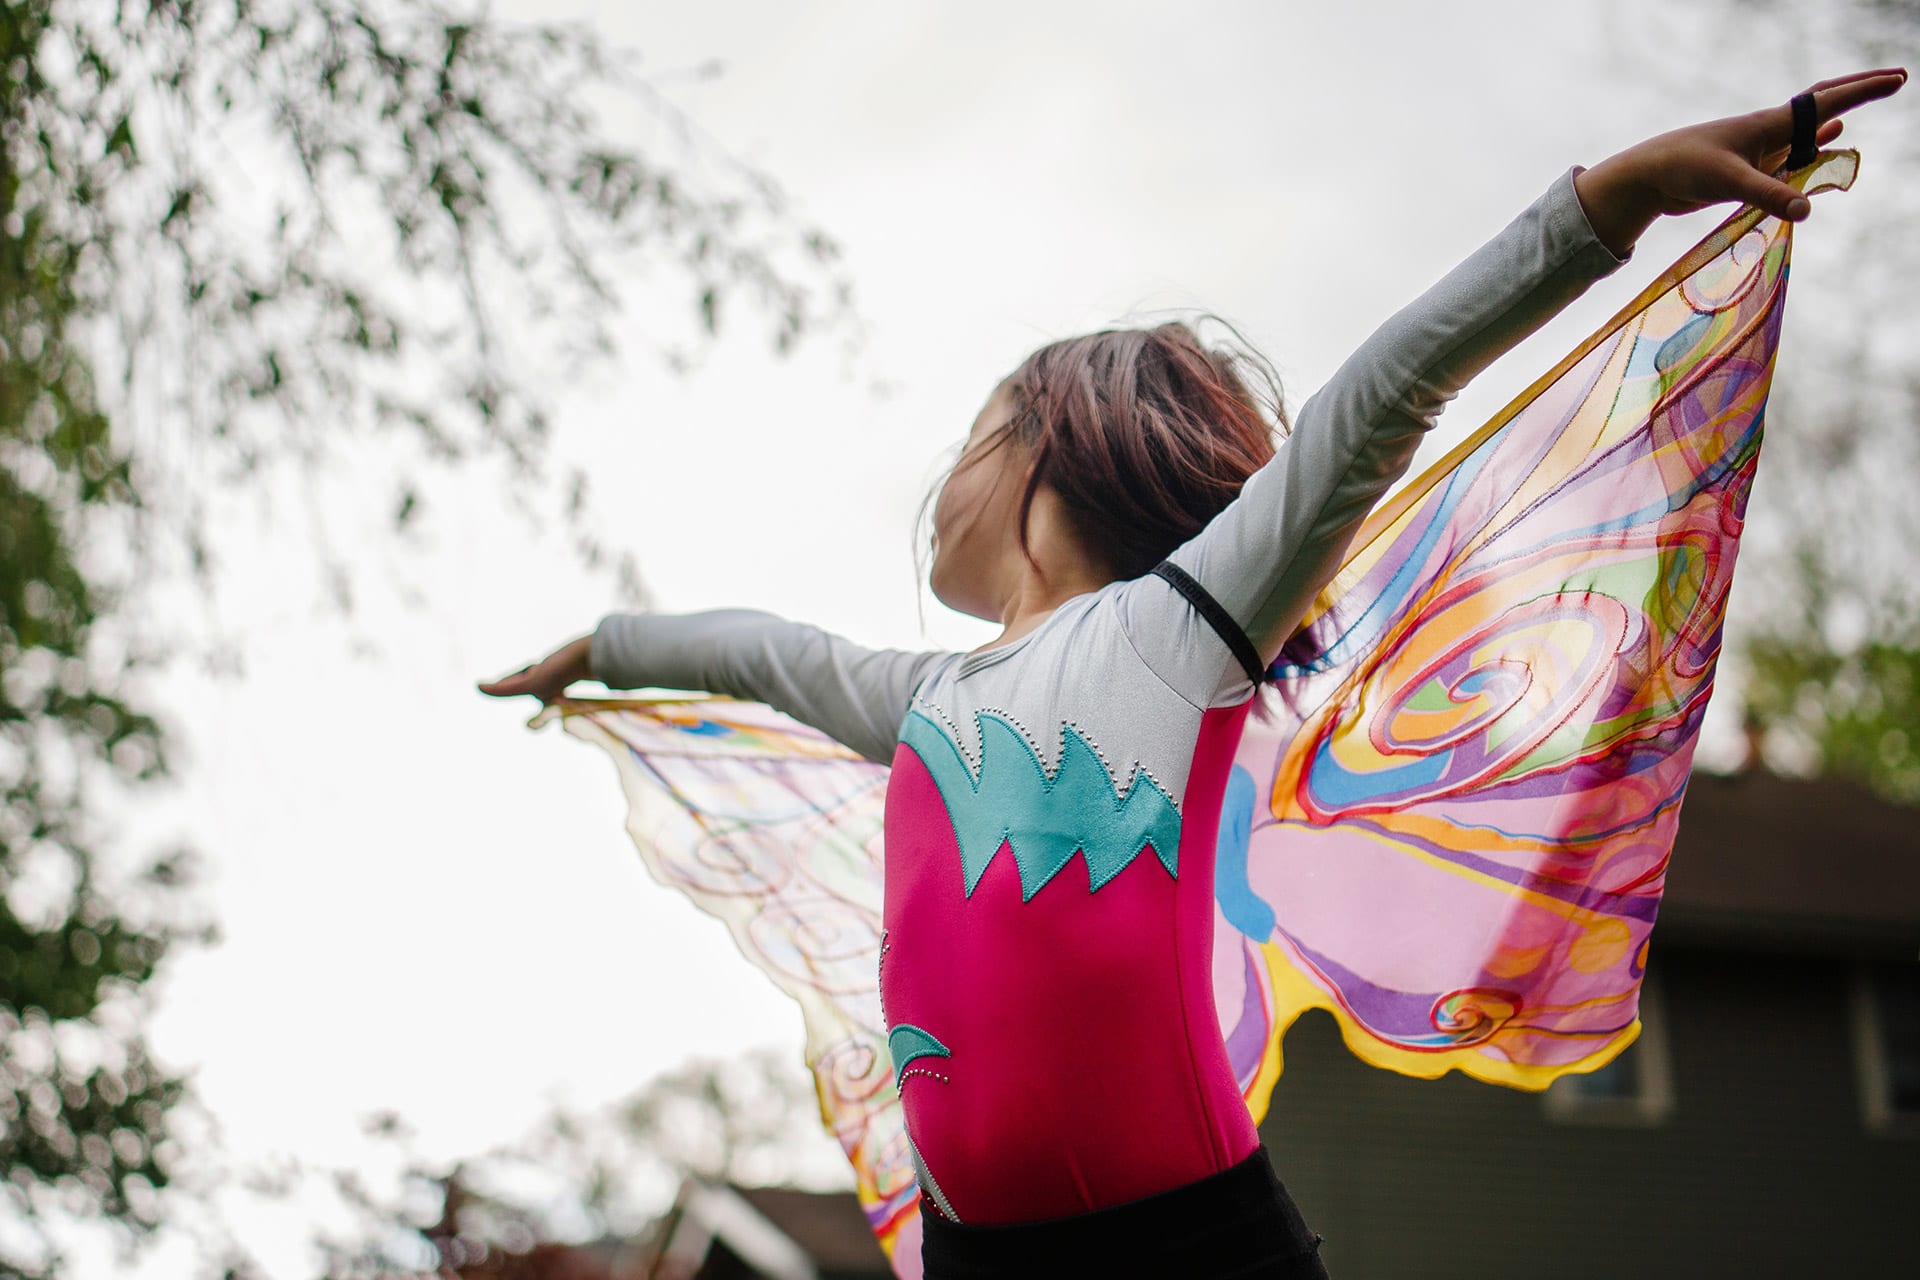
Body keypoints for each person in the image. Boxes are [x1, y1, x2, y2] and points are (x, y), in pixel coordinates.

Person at [480, 70, 1905, 1280]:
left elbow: (1388, 389)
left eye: (976, 432)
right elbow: (754, 654)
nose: (944, 473)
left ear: (1052, 447)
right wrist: (603, 651)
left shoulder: (1177, 628)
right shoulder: (919, 703)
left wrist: (1616, 198)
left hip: (1186, 1249)